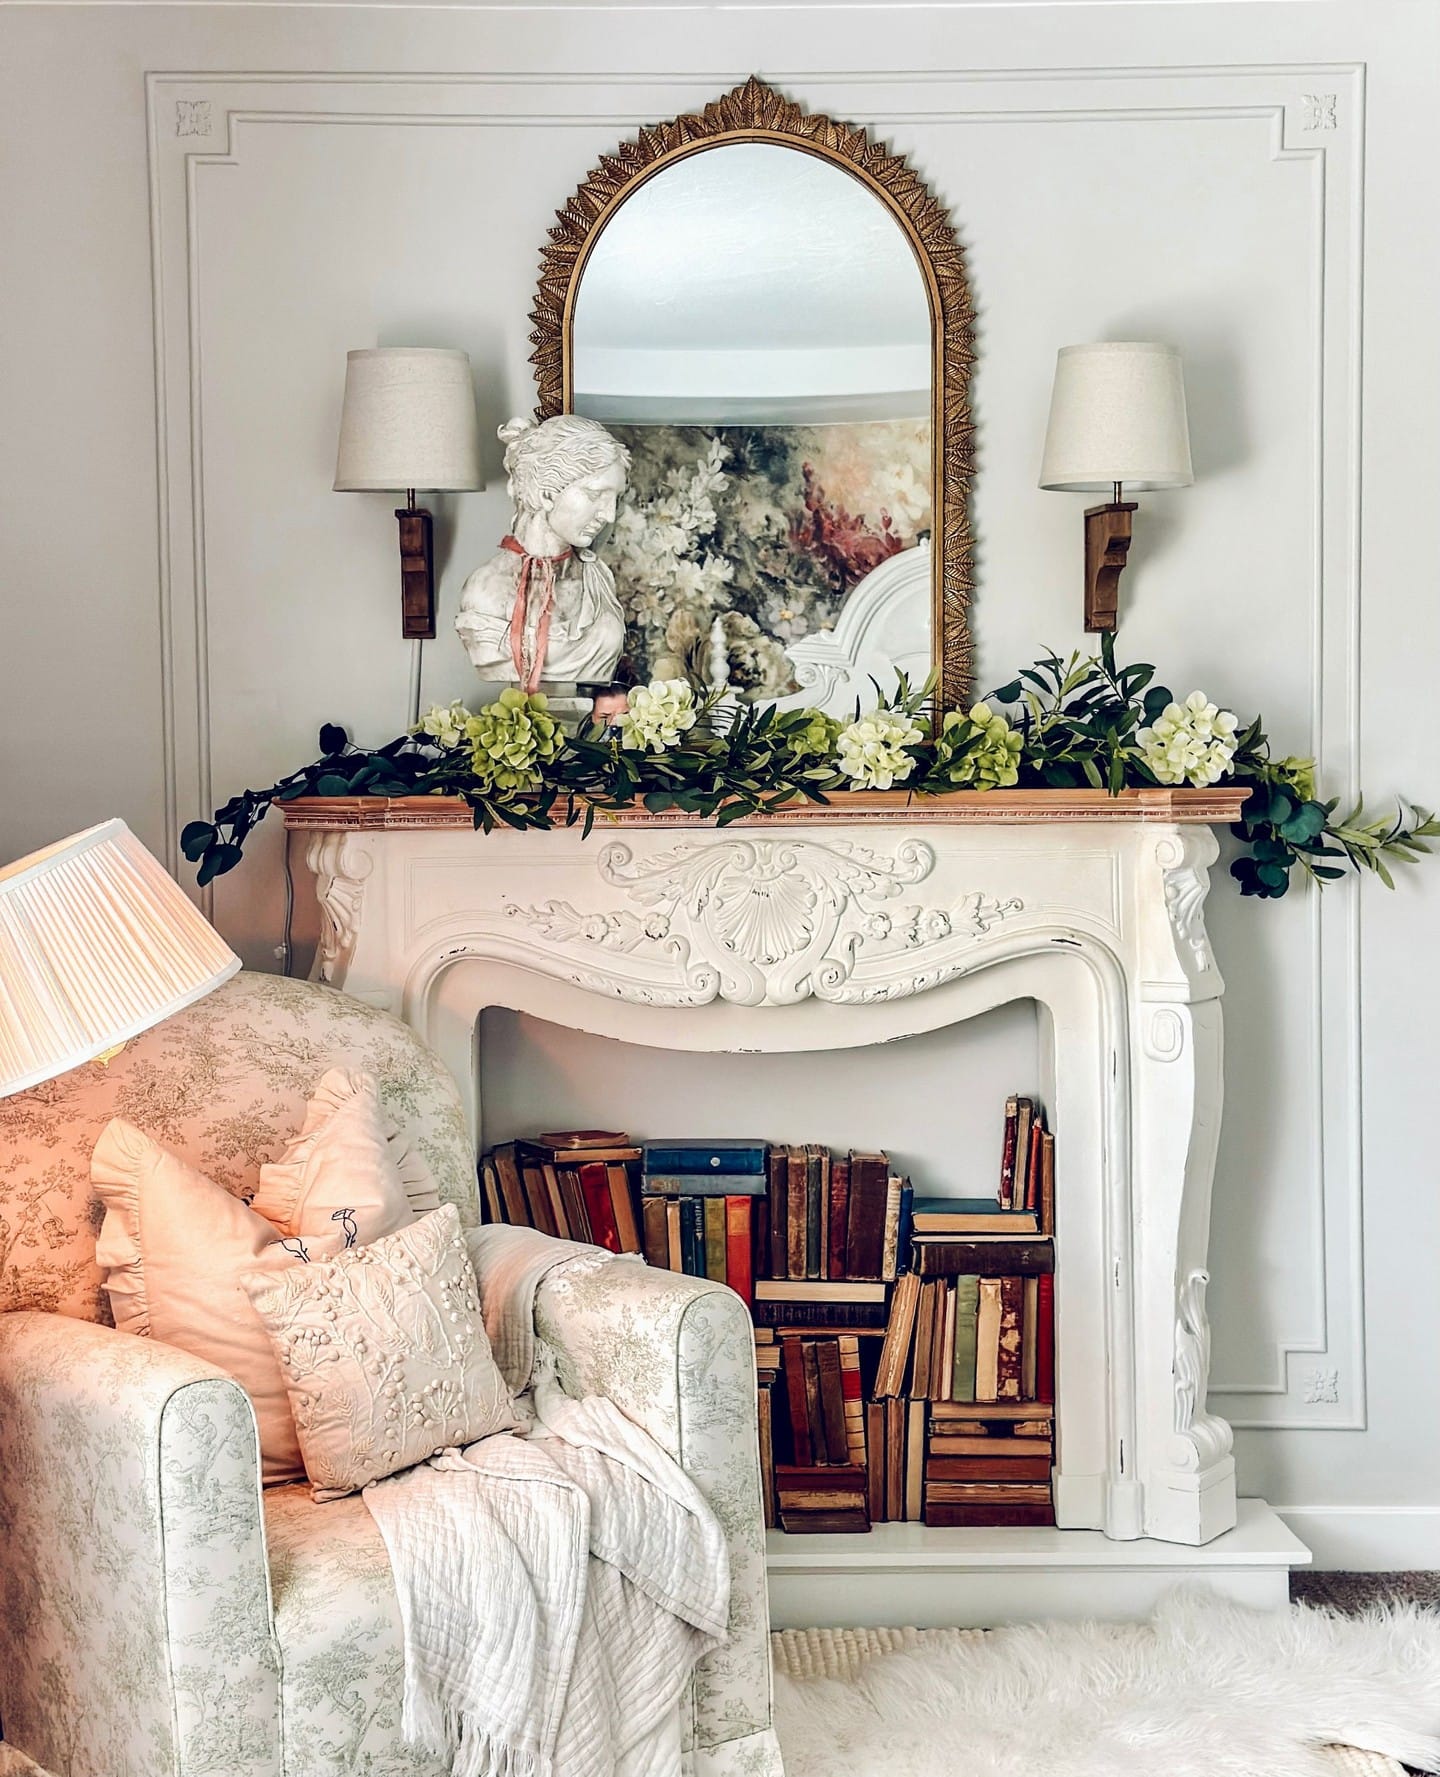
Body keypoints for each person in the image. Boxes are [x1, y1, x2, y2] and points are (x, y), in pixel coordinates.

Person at [456, 415, 631, 690]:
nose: (609, 515)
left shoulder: (599, 581)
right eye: (596, 495)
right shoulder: (485, 591)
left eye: (616, 499)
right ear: (547, 493)